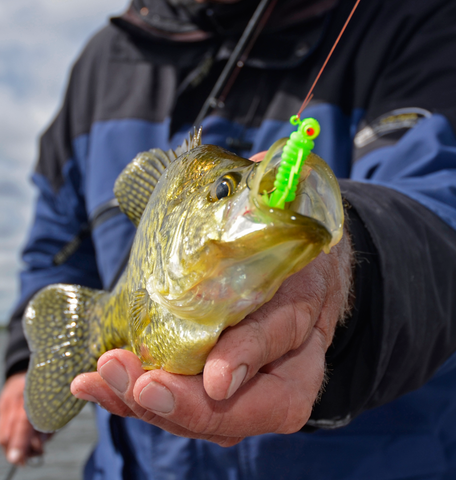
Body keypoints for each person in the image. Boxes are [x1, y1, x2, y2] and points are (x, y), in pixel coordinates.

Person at [2, 0, 456, 478]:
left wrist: (350, 278)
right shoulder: (104, 62)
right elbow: (57, 242)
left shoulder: (414, 20)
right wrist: (23, 364)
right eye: (225, 192)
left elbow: (442, 207)